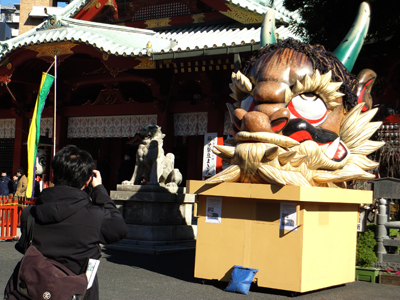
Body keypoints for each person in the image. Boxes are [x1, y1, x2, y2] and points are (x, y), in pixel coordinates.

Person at [5, 145, 128, 300]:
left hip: (31, 290)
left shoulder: (29, 214)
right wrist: (99, 190)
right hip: (75, 293)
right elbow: (120, 228)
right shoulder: (96, 218)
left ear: (53, 174)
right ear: (88, 180)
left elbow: (25, 248)